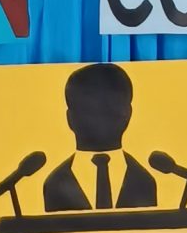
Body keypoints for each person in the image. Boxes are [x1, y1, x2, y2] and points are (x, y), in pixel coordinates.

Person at [43, 62, 159, 211]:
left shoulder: (145, 182)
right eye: (89, 108)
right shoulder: (54, 184)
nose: (99, 117)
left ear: (128, 113)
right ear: (70, 118)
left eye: (109, 107)